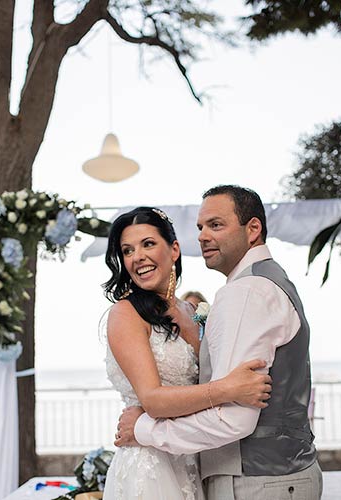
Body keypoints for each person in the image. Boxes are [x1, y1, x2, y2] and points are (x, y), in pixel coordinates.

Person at [116, 186, 322, 500]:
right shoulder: (268, 280)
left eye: (216, 225)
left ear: (253, 229)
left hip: (256, 479)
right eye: (200, 228)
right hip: (177, 468)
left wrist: (144, 430)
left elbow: (234, 418)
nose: (202, 236)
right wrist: (226, 388)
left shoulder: (245, 291)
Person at [102, 206, 273, 499]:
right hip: (150, 465)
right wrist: (230, 388)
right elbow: (153, 400)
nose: (137, 257)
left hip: (193, 457)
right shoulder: (126, 314)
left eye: (148, 244)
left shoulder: (193, 312)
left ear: (175, 250)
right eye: (127, 250)